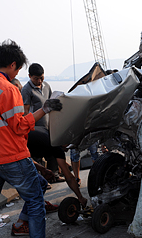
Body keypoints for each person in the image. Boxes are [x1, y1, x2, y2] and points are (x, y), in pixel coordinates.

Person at [0, 40, 62, 238]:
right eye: (18, 69)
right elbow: (19, 126)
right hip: (13, 158)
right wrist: (45, 109)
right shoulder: (7, 89)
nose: (17, 73)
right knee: (35, 200)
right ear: (12, 65)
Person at [21, 63, 88, 207]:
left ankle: (37, 204)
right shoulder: (26, 90)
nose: (39, 81)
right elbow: (69, 178)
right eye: (36, 78)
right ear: (29, 77)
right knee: (36, 182)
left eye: (41, 78)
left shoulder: (46, 86)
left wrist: (43, 169)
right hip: (28, 133)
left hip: (34, 137)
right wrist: (81, 198)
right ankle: (28, 217)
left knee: (39, 178)